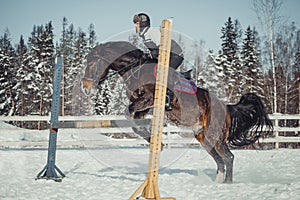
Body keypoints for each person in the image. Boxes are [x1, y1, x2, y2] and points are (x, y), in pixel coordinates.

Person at [133, 13, 186, 111]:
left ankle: (168, 99)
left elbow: (162, 47)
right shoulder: (144, 35)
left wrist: (153, 54)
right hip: (166, 55)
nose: (135, 26)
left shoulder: (152, 32)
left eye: (137, 23)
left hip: (175, 54)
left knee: (165, 72)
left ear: (142, 23)